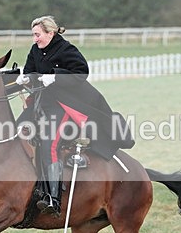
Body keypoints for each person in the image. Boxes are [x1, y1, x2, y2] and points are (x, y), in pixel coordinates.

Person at [15, 16, 132, 215]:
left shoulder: (66, 49)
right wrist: (24, 78)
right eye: (33, 35)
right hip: (42, 103)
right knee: (18, 131)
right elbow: (30, 72)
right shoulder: (35, 50)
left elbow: (81, 72)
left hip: (67, 105)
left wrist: (55, 77)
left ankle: (53, 198)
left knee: (50, 143)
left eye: (38, 34)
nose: (35, 39)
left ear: (50, 33)